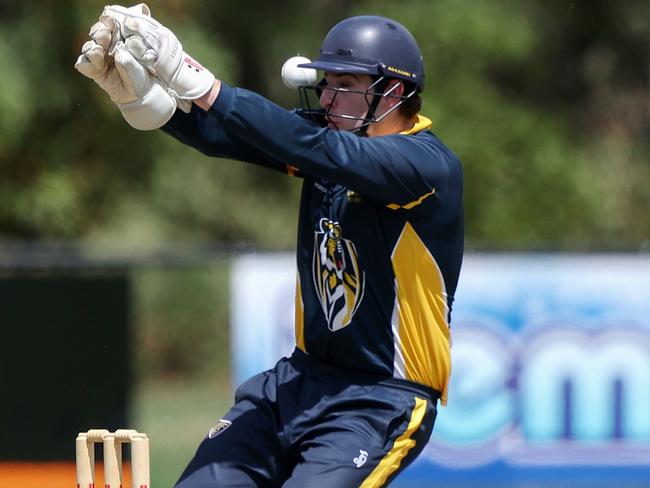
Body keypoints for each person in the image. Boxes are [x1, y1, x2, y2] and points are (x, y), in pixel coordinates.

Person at [76, 4, 463, 487]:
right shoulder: (330, 139)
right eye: (326, 82)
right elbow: (239, 136)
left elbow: (321, 150)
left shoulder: (425, 166)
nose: (327, 96)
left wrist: (196, 78)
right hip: (297, 382)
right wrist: (147, 100)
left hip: (379, 399)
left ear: (394, 91)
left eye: (345, 84)